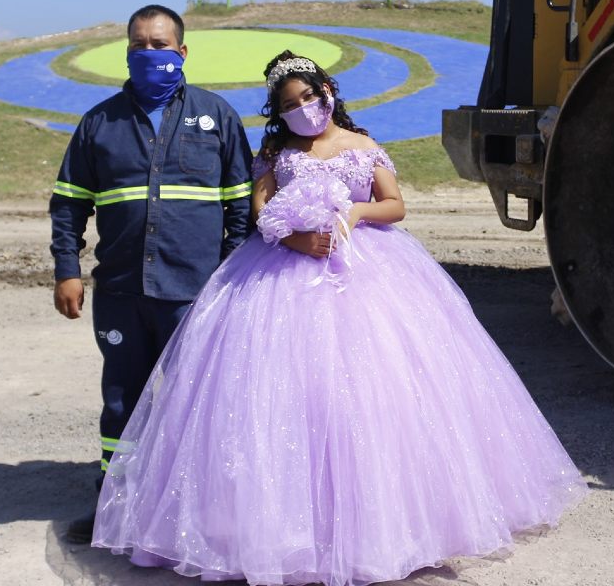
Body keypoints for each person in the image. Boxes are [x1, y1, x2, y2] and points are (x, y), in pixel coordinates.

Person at [92, 52, 587, 584]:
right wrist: (298, 236)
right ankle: (273, 528)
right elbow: (261, 211)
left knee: (373, 392)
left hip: (368, 271)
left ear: (328, 91)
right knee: (278, 395)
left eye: (309, 97)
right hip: (282, 275)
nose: (302, 109)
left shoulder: (362, 145)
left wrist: (354, 212)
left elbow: (394, 205)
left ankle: (389, 525)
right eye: (288, 105)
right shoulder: (278, 152)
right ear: (277, 113)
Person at [49, 4, 254, 544]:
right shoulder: (100, 122)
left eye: (160, 45)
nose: (150, 53)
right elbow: (69, 204)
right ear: (128, 52)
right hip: (121, 291)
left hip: (197, 291)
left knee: (198, 402)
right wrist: (67, 270)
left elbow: (241, 204)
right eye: (140, 45)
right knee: (123, 400)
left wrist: (232, 271)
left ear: (182, 52)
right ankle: (115, 511)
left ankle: (201, 517)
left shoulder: (217, 116)